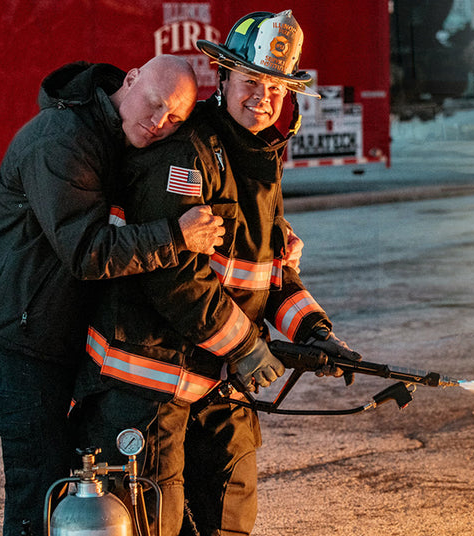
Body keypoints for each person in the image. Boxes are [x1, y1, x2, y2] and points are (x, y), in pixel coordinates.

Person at [74, 10, 359, 535]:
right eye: (252, 81)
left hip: (216, 383)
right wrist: (246, 347)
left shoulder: (260, 158)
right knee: (149, 523)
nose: (263, 98)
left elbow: (267, 273)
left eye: (276, 88)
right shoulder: (186, 154)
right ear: (224, 79)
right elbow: (172, 276)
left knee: (228, 518)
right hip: (146, 385)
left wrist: (317, 332)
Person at [0, 55, 225, 536]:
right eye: (155, 104)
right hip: (21, 331)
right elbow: (87, 252)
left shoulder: (114, 133)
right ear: (132, 79)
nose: (158, 122)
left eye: (175, 119)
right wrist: (176, 237)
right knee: (37, 480)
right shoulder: (62, 140)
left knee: (69, 477)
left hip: (62, 327)